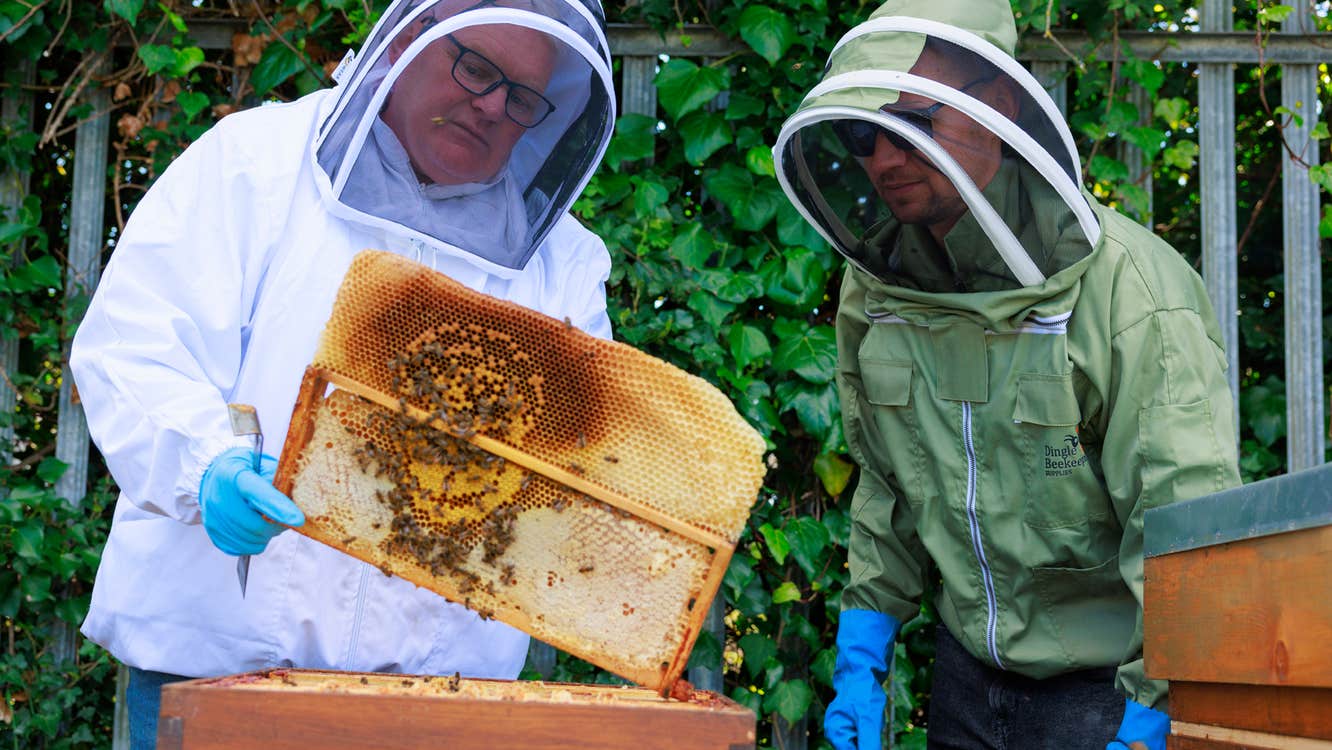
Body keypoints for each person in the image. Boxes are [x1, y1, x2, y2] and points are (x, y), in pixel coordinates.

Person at [69, 1, 615, 746]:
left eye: (521, 97)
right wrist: (205, 465)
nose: (490, 106)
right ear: (407, 39)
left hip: (441, 702)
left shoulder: (563, 263)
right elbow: (135, 346)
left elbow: (573, 464)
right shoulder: (254, 163)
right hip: (212, 670)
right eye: (477, 66)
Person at [771, 1, 1240, 748]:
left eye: (915, 124)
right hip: (962, 680)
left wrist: (1160, 706)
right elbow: (887, 482)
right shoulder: (878, 289)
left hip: (1106, 692)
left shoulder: (1133, 296)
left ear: (997, 106)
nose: (886, 159)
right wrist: (864, 651)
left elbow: (1183, 519)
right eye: (865, 133)